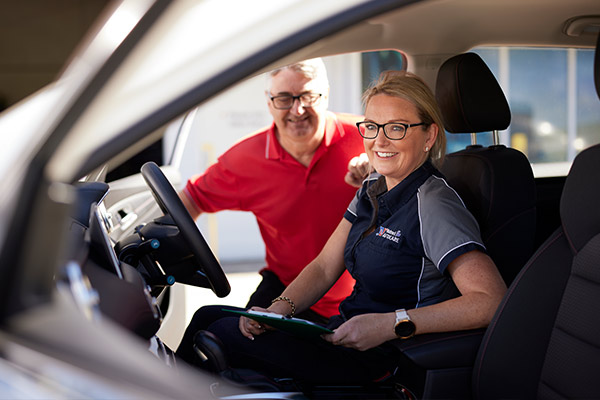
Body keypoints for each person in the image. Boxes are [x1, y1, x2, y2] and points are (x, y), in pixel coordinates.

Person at [198, 70, 508, 384]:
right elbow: (323, 267)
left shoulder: (433, 203)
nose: (379, 141)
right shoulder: (372, 187)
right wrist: (279, 309)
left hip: (384, 360)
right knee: (209, 316)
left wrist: (391, 324)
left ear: (428, 136)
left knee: (218, 334)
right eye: (372, 127)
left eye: (397, 128)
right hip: (342, 334)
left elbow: (490, 299)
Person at [176, 59, 369, 363]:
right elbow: (189, 201)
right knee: (207, 327)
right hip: (286, 285)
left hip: (360, 296)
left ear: (326, 95)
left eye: (308, 96)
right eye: (284, 98)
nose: (297, 110)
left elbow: (414, 179)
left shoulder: (367, 138)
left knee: (234, 348)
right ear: (269, 102)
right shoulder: (245, 159)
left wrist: (378, 172)